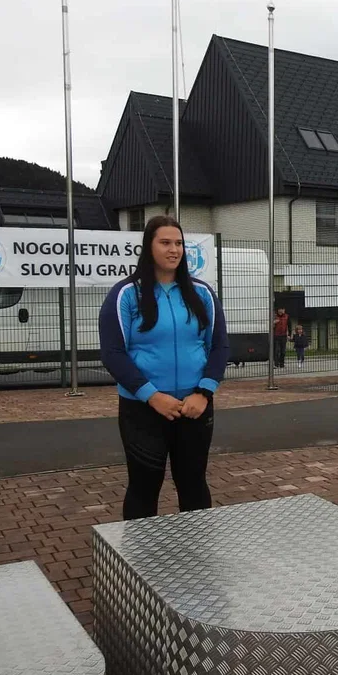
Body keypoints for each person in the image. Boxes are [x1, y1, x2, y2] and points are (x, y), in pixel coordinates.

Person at [100, 216, 230, 520]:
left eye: (179, 243)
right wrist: (152, 396)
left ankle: (197, 559)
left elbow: (220, 346)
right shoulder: (125, 294)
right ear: (149, 246)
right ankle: (140, 562)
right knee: (144, 487)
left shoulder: (202, 293)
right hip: (144, 410)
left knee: (193, 485)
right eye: (165, 242)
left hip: (194, 407)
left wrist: (204, 393)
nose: (174, 250)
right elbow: (113, 352)